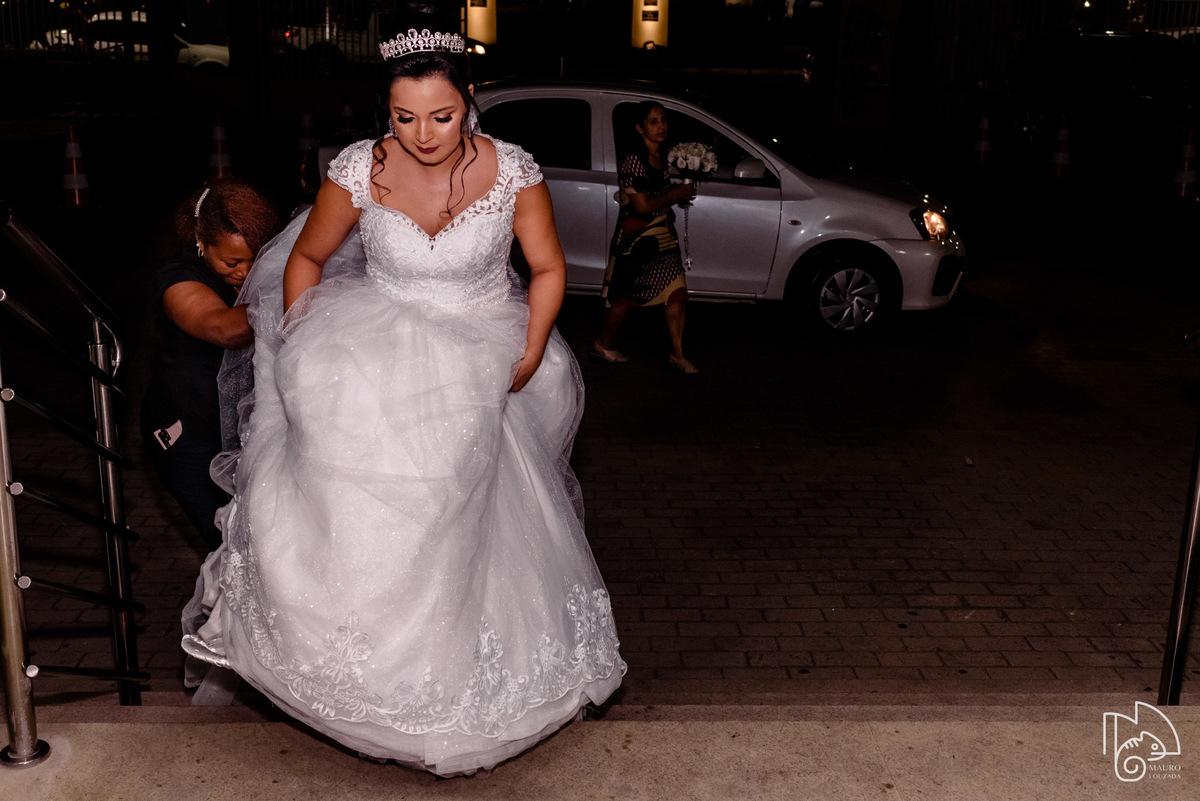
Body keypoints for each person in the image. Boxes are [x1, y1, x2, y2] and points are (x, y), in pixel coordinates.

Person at [181, 2, 625, 777]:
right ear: (385, 108)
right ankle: (369, 674)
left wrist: (530, 343)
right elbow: (306, 259)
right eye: (404, 117)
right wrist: (304, 341)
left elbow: (550, 269)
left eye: (443, 116)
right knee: (372, 524)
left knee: (458, 519)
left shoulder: (513, 170)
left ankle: (453, 683)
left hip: (481, 354)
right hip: (376, 354)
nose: (422, 135)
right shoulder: (360, 167)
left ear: (470, 99)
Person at [140, 180, 282, 551]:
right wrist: (295, 299)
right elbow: (220, 327)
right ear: (202, 242)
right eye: (232, 262)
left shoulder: (262, 269)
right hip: (186, 431)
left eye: (256, 258)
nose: (245, 271)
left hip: (244, 429)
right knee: (224, 544)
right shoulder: (177, 277)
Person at [594, 101, 699, 374]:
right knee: (623, 301)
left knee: (676, 293)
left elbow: (659, 197)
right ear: (640, 128)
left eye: (663, 120)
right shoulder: (633, 160)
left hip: (662, 237)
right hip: (635, 241)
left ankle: (677, 354)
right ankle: (603, 344)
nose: (661, 126)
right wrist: (674, 194)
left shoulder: (662, 157)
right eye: (653, 122)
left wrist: (679, 193)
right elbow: (640, 207)